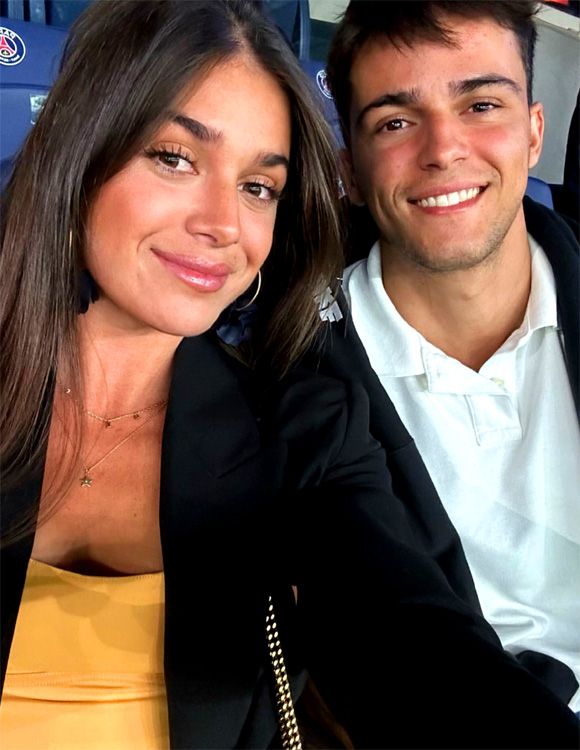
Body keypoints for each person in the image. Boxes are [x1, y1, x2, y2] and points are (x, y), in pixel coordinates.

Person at [0, 1, 578, 748]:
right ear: (81, 150)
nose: (222, 224)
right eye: (175, 158)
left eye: (258, 187)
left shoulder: (296, 423)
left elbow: (403, 635)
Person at [324, 0, 580, 712]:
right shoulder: (289, 381)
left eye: (481, 105)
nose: (443, 149)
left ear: (534, 134)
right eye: (396, 122)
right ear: (348, 169)